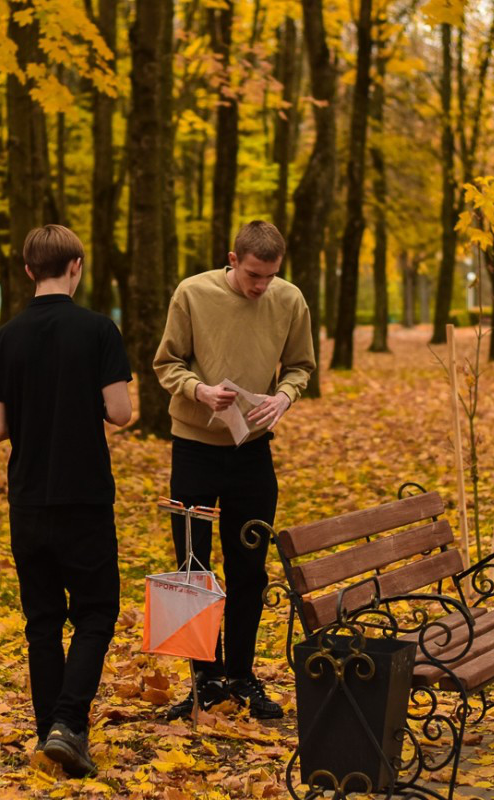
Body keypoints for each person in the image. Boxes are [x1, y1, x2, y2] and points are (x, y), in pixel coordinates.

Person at [0, 225, 132, 777]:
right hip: (85, 498)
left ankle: (53, 737)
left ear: (27, 271)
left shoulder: (3, 339)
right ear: (77, 266)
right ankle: (69, 724)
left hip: (28, 499)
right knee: (96, 612)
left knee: (42, 622)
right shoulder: (98, 331)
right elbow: (120, 413)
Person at [153, 220, 316, 720]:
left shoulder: (290, 300)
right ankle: (204, 679)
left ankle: (243, 676)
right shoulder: (192, 294)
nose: (260, 286)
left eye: (269, 276)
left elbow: (300, 366)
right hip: (194, 449)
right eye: (252, 275)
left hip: (253, 451)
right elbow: (166, 364)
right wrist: (199, 390)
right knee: (192, 568)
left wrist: (284, 398)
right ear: (232, 259)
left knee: (249, 567)